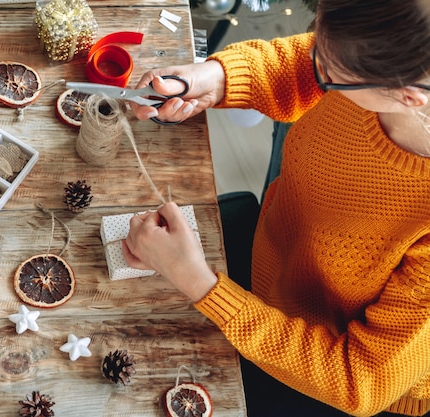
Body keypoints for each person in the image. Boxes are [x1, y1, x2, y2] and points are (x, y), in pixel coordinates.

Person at [121, 1, 430, 416]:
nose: (315, 65)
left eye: (329, 74)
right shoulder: (377, 66)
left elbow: (361, 381)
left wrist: (197, 282)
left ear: (408, 96)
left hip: (320, 372)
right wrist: (216, 77)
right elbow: (307, 64)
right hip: (267, 267)